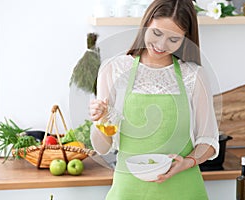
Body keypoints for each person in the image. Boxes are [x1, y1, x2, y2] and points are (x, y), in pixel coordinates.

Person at [89, 0, 219, 199]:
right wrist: (100, 120)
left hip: (183, 189)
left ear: (185, 39)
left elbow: (208, 141)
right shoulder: (114, 70)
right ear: (146, 24)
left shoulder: (193, 75)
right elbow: (102, 147)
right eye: (156, 33)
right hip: (129, 190)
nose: (160, 45)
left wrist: (188, 162)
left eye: (173, 39)